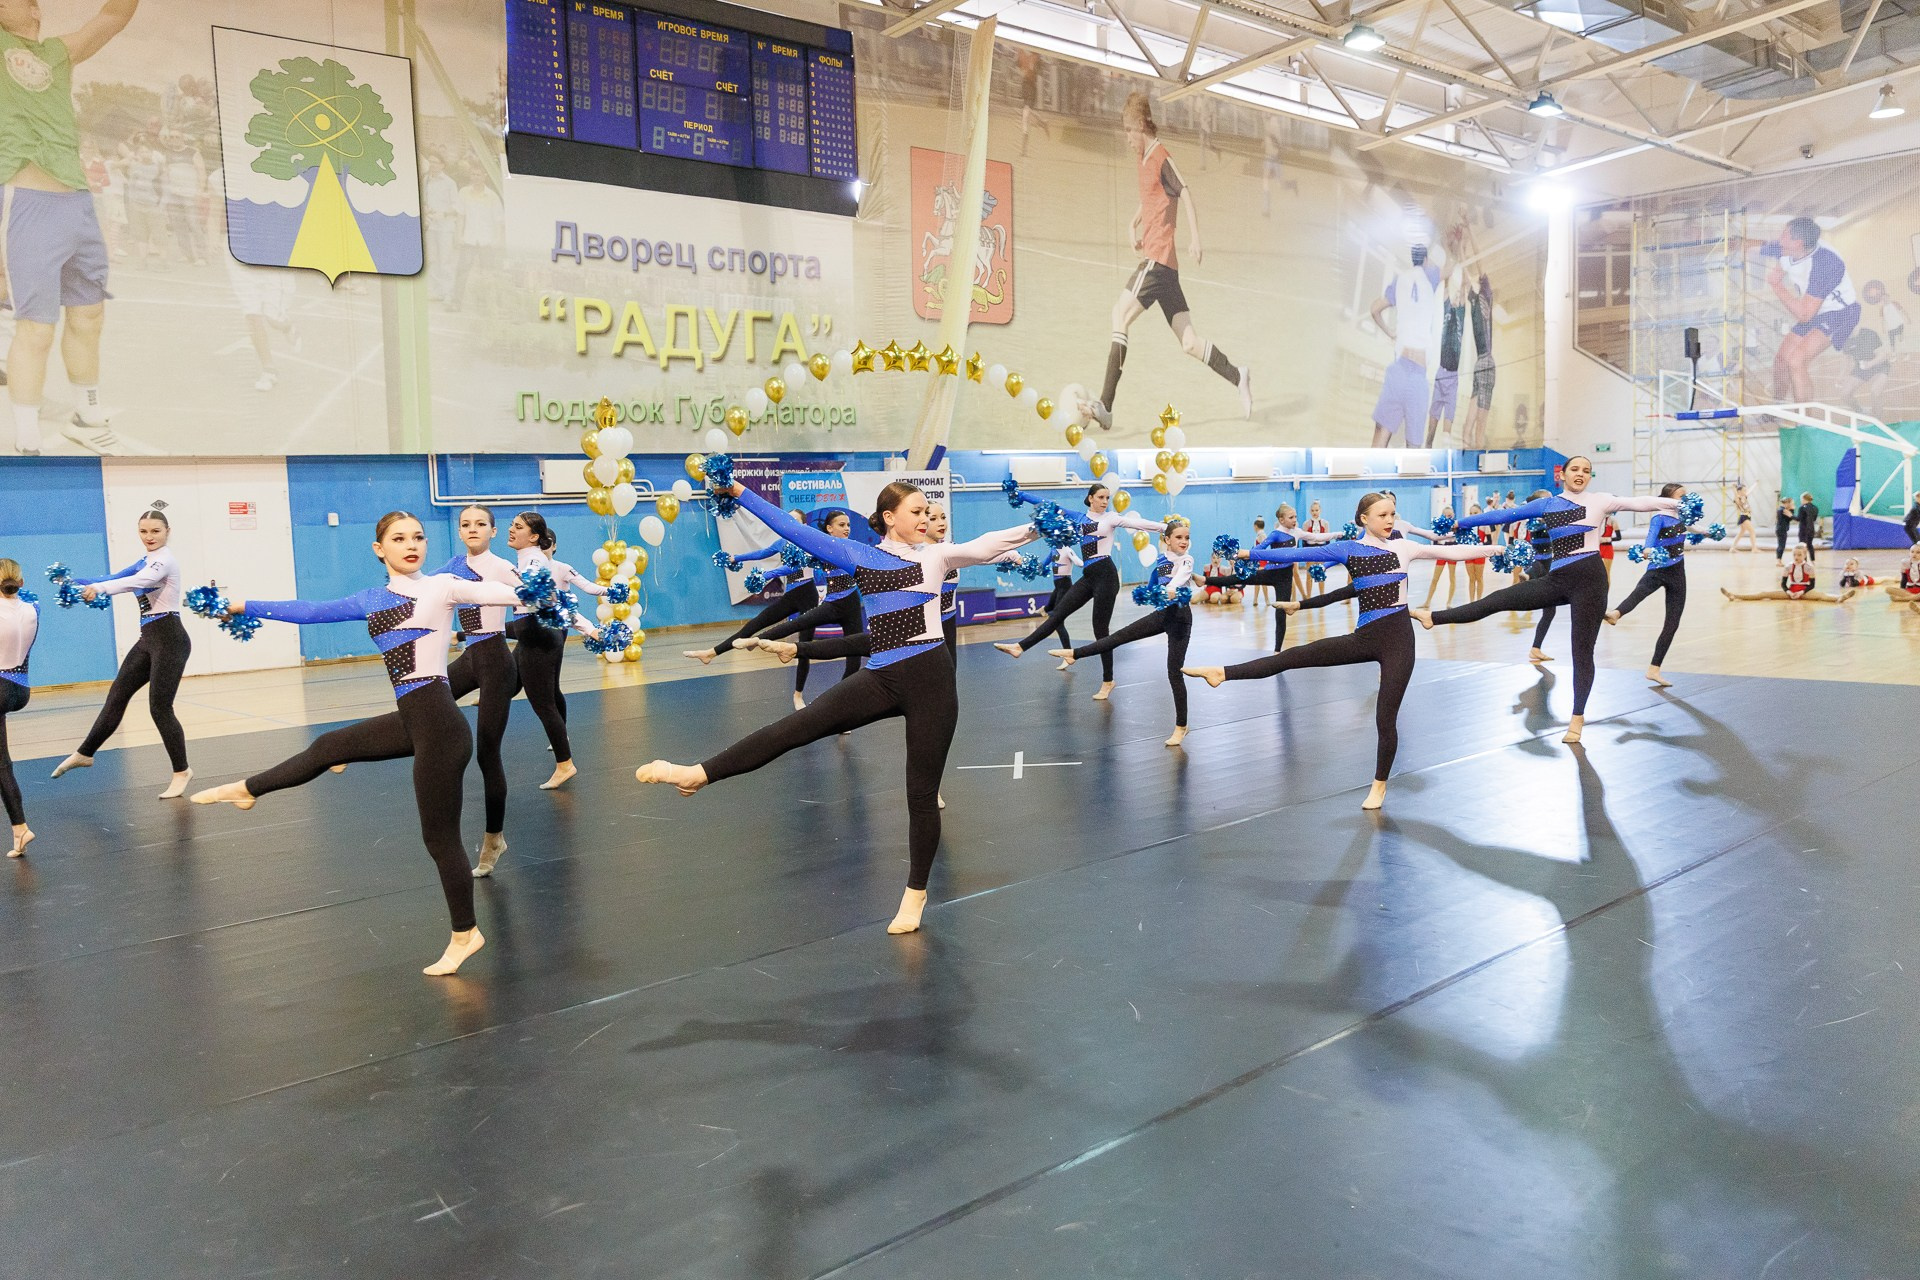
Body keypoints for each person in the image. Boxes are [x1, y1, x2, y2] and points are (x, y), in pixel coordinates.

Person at [637, 477, 1042, 935]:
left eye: (927, 511)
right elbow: (793, 531)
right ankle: (699, 773)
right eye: (915, 511)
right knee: (798, 727)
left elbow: (988, 544)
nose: (925, 518)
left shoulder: (937, 556)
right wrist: (739, 492)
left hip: (932, 682)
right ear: (889, 517)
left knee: (920, 794)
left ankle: (915, 894)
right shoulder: (858, 555)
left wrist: (1039, 526)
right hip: (882, 677)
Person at [192, 511, 536, 975]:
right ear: (380, 549)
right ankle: (248, 790)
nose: (411, 545)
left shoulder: (443, 586)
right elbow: (311, 611)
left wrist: (535, 593)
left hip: (440, 730)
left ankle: (465, 934)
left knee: (439, 839)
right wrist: (241, 605)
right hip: (413, 721)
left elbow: (498, 592)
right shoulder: (371, 599)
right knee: (329, 746)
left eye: (418, 537)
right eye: (399, 538)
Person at [1185, 493, 1498, 810]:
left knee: (1385, 718)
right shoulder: (1348, 549)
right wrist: (1245, 553)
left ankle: (1379, 785)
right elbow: (1297, 553)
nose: (1390, 520)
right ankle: (1222, 673)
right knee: (1293, 656)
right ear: (1364, 519)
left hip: (1399, 641)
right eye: (1382, 515)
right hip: (1364, 637)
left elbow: (1452, 551)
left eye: (1392, 514)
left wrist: (1494, 549)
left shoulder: (1403, 547)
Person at [1410, 456, 1681, 744]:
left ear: (1590, 477)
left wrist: (1679, 504)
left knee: (1582, 652)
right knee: (1499, 599)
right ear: (1562, 475)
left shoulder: (1600, 500)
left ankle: (1577, 718)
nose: (1580, 474)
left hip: (1590, 583)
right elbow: (1503, 516)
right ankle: (1433, 617)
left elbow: (1640, 502)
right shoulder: (1547, 504)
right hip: (1558, 579)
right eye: (1574, 469)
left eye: (1586, 471)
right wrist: (1459, 523)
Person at [1, 0, 141, 457]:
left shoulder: (57, 54)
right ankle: (27, 441)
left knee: (89, 315)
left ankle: (87, 416)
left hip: (76, 201)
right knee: (36, 328)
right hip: (25, 200)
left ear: (35, 11)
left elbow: (113, 18)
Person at [1084, 92, 1251, 430]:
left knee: (1119, 314)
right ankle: (1239, 376)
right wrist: (1133, 223)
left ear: (1141, 125)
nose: (1127, 138)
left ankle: (1106, 406)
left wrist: (1195, 238)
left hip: (1158, 261)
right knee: (1189, 343)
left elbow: (1183, 191)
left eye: (1129, 131)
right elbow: (1151, 197)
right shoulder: (1142, 158)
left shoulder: (1161, 157)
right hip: (1166, 270)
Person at [49, 507, 193, 797]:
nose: (149, 536)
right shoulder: (145, 560)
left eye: (156, 531)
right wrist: (75, 584)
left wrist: (99, 588)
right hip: (148, 638)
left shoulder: (164, 561)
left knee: (160, 708)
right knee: (117, 694)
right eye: (143, 531)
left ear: (168, 532)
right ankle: (85, 753)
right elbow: (116, 576)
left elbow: (136, 582)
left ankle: (182, 771)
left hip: (170, 639)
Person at [994, 482, 1167, 701]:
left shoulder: (1111, 518)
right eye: (1101, 497)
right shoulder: (1078, 517)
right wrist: (1021, 494)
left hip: (1106, 576)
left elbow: (1138, 523)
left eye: (1107, 498)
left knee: (1100, 630)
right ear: (1090, 498)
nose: (1105, 501)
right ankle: (1020, 647)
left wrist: (1165, 527)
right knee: (1057, 614)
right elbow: (1047, 505)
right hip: (1089, 576)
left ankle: (1108, 680)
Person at [1051, 519, 1197, 747]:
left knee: (1174, 673)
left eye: (1187, 537)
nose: (1184, 541)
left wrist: (1170, 590)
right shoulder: (1161, 560)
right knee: (1119, 637)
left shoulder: (1187, 559)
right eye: (1179, 537)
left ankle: (1181, 726)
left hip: (1180, 619)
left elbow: (1180, 578)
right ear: (1167, 539)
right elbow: (1154, 582)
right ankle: (1075, 654)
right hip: (1162, 615)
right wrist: (1149, 593)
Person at [435, 505, 524, 875]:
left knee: (488, 755)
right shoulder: (452, 566)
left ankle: (494, 838)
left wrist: (588, 627)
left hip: (496, 663)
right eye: (466, 524)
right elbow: (419, 588)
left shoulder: (501, 567)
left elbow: (541, 597)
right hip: (470, 656)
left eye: (480, 524)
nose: (473, 529)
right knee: (423, 701)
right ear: (459, 531)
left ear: (493, 530)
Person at [506, 512, 604, 790]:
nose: (511, 529)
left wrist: (589, 628)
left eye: (518, 526)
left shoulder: (535, 562)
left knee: (544, 702)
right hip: (533, 633)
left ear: (534, 536)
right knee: (515, 684)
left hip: (539, 634)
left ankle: (565, 764)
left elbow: (552, 602)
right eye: (512, 525)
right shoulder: (526, 560)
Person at [749, 507, 865, 702]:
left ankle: (841, 702)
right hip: (832, 604)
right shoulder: (822, 549)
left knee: (854, 659)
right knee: (799, 624)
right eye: (842, 525)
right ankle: (758, 639)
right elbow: (794, 565)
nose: (847, 528)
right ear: (829, 528)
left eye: (848, 525)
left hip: (852, 603)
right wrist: (767, 575)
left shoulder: (854, 547)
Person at [1747, 218, 1858, 402]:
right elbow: (1754, 246)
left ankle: (1804, 418)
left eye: (1784, 235)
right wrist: (1733, 243)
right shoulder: (1789, 249)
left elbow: (1804, 315)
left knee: (1796, 360)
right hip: (1816, 310)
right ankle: (1778, 407)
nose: (1779, 238)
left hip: (1840, 313)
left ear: (1797, 243)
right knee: (1781, 359)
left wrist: (1776, 285)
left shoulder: (1825, 263)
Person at [1604, 483, 1690, 688]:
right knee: (1639, 593)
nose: (1685, 499)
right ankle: (1616, 613)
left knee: (1672, 623)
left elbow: (1696, 529)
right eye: (1681, 495)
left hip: (1678, 573)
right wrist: (1648, 550)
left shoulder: (1682, 517)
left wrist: (1709, 533)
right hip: (1659, 568)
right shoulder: (1659, 518)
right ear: (1668, 498)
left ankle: (1654, 669)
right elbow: (1650, 540)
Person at [1369, 245, 1441, 447]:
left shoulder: (1400, 280)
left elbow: (1374, 309)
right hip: (1417, 375)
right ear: (1425, 260)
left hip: (1399, 369)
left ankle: (1371, 469)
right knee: (1414, 447)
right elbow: (1448, 269)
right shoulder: (1430, 277)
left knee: (1381, 435)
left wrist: (1390, 332)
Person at [0, 558, 36, 857]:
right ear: (21, 583)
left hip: (0, 688)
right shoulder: (33, 608)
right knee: (1, 762)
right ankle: (19, 831)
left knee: (2, 764)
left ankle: (21, 828)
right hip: (20, 688)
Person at [1720, 544, 1855, 603]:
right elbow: (1784, 584)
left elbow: (1812, 585)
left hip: (1804, 591)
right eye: (1795, 555)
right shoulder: (1788, 567)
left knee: (1821, 596)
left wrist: (1801, 592)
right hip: (1791, 590)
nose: (1796, 557)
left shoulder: (1809, 568)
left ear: (1804, 555)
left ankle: (1839, 598)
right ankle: (1735, 595)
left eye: (1799, 555)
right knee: (1764, 594)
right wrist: (1789, 592)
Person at [1426, 282, 1466, 446]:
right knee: (1431, 432)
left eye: (1458, 296)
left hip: (1453, 377)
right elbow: (1446, 290)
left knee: (1446, 436)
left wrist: (1463, 281)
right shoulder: (1447, 310)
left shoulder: (1461, 315)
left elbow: (1463, 293)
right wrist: (1448, 278)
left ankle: (1445, 447)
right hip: (1441, 374)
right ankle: (1427, 446)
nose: (1456, 297)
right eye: (1454, 296)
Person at [1462, 275, 1496, 448]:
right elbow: (1477, 278)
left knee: (1473, 427)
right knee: (1478, 428)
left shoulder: (1477, 302)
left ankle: (1468, 445)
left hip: (1482, 362)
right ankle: (1474, 450)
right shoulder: (1486, 302)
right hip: (1485, 362)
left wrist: (1464, 263)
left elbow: (1469, 281)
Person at [1845, 327, 1890, 418]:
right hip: (1861, 368)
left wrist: (1870, 364)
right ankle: (1860, 412)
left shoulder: (1869, 333)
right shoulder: (1844, 339)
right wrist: (1842, 375)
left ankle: (1877, 420)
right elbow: (1846, 359)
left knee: (1875, 391)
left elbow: (1883, 355)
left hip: (1879, 366)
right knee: (1845, 394)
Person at [1420, 506, 1461, 607]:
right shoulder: (1440, 526)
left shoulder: (1456, 526)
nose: (1447, 517)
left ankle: (1449, 602)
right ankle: (1427, 601)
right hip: (1441, 552)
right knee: (1435, 578)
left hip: (1451, 552)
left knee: (1452, 577)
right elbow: (1435, 538)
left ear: (1453, 515)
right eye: (1445, 515)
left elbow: (1458, 538)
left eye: (1449, 515)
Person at [1016, 49, 1048, 156]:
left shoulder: (1036, 56)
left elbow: (1040, 71)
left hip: (1031, 87)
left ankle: (1023, 150)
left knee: (1025, 115)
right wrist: (1024, 71)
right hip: (1025, 85)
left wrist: (1033, 69)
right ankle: (1042, 122)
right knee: (1027, 113)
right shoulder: (1022, 53)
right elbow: (1018, 67)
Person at [1732, 481, 1756, 553]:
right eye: (1744, 490)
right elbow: (1735, 494)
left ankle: (1732, 548)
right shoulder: (1737, 498)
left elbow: (1750, 491)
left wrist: (1755, 483)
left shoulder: (1744, 497)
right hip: (1744, 516)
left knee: (1741, 532)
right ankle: (1754, 548)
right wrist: (1733, 488)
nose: (1745, 491)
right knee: (1752, 531)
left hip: (1747, 516)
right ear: (1739, 491)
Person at [1797, 491, 1819, 563]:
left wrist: (1790, 515)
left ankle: (1804, 561)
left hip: (1803, 529)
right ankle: (1813, 561)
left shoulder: (1802, 508)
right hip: (1811, 529)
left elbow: (1798, 518)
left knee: (1802, 546)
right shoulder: (1815, 508)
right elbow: (1814, 519)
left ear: (1803, 499)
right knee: (1810, 545)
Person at [1774, 495, 1794, 563]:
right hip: (1781, 530)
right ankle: (1779, 560)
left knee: (1781, 545)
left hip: (1781, 529)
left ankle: (1779, 560)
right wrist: (1792, 510)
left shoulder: (1781, 509)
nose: (1791, 505)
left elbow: (1789, 518)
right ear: (1787, 503)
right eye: (1791, 503)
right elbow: (1790, 518)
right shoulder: (1783, 510)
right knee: (1781, 545)